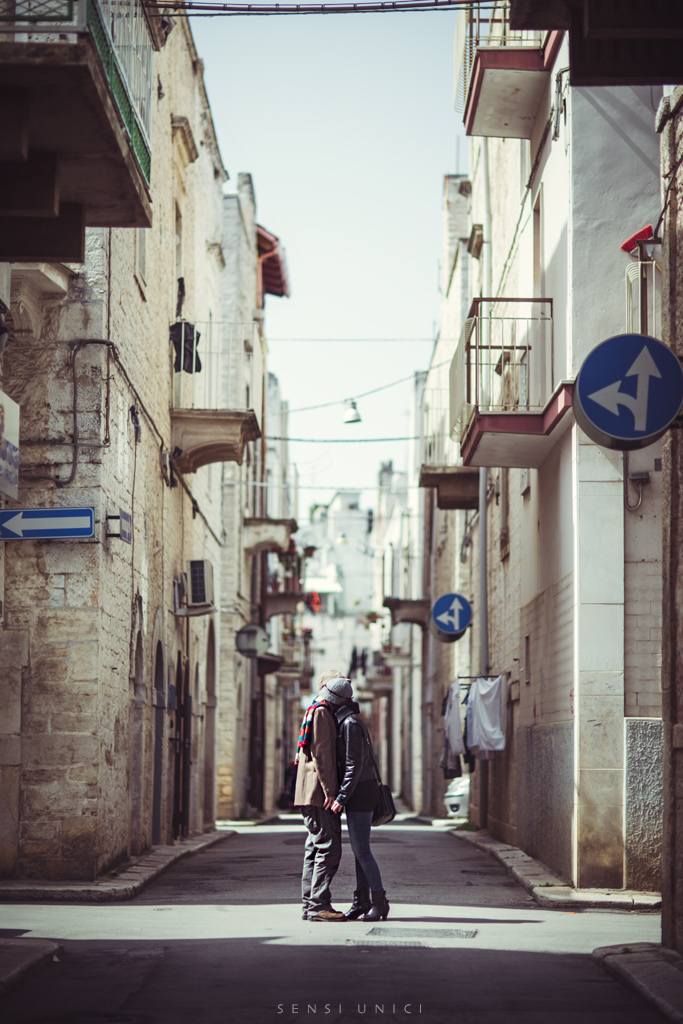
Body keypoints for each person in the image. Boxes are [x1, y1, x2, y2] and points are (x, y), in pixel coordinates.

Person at [294, 670, 353, 922]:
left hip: (311, 794)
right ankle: (318, 906)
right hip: (319, 794)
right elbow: (322, 755)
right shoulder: (321, 713)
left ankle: (311, 905)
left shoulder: (314, 709)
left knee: (315, 850)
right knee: (329, 850)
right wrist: (331, 791)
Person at [330, 687, 390, 922]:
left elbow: (353, 764)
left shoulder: (350, 724)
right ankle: (361, 901)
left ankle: (379, 902)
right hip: (360, 790)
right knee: (359, 850)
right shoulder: (350, 720)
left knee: (362, 851)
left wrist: (341, 797)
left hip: (360, 792)